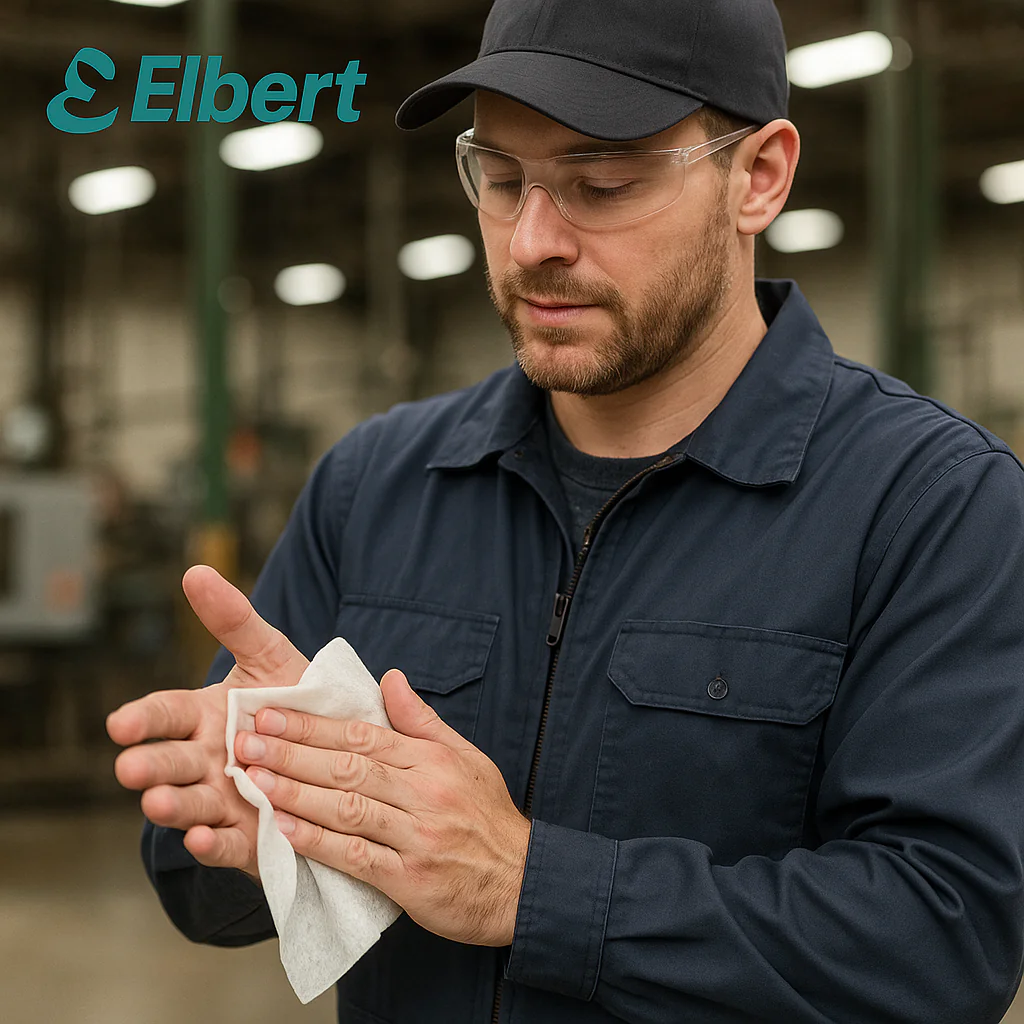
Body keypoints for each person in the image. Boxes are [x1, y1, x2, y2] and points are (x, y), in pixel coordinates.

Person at [106, 0, 1024, 1021]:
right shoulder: (377, 485)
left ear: (758, 176)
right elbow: (199, 892)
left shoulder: (931, 507)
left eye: (603, 184)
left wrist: (530, 887)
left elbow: (946, 941)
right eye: (502, 180)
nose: (533, 241)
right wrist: (252, 827)